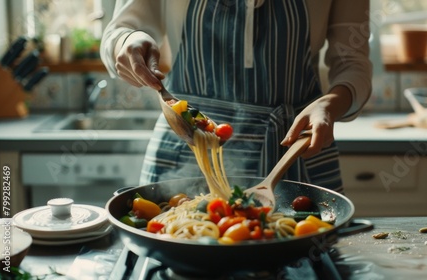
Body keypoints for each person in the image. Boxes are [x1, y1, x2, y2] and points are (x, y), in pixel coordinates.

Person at [100, 0, 372, 193]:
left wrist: (329, 104)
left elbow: (353, 64)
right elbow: (120, 30)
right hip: (185, 146)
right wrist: (126, 41)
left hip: (294, 148)